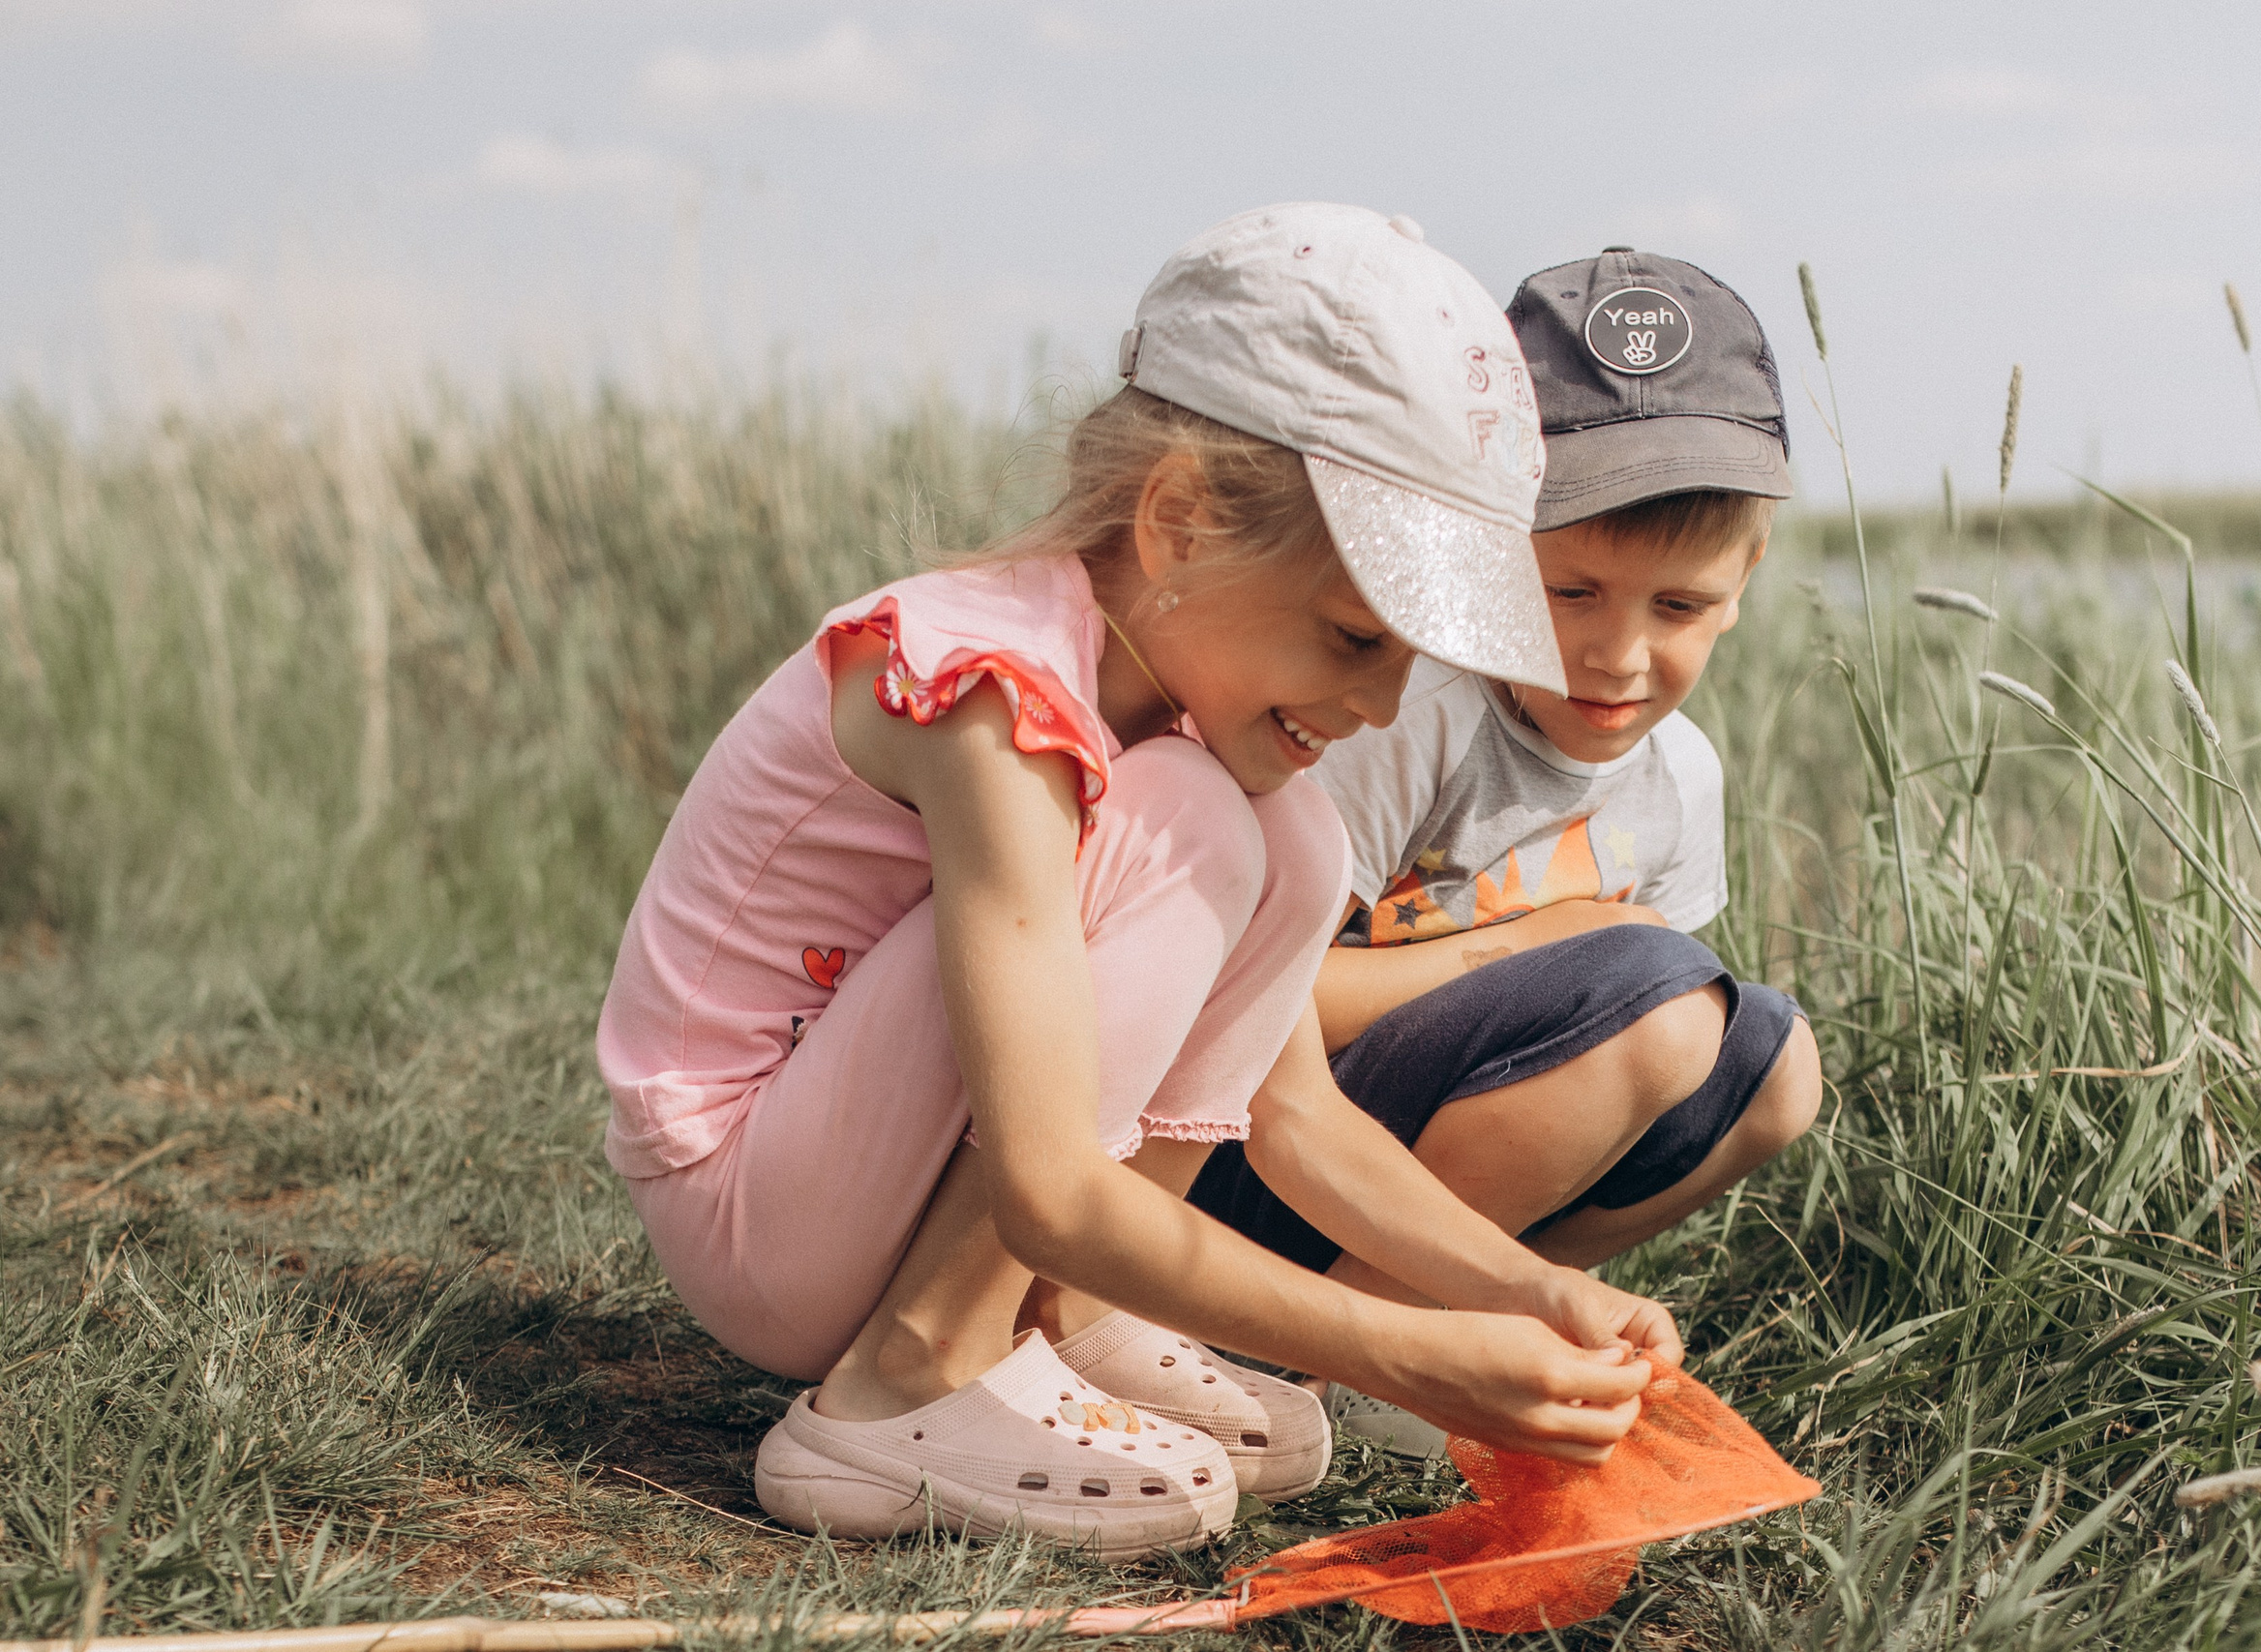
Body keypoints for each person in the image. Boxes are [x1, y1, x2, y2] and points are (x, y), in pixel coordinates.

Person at [596, 206, 1684, 1559]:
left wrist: (1522, 1293)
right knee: (1202, 822)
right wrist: (1414, 1356)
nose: (1382, 699)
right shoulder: (994, 699)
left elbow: (1291, 1113)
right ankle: (909, 1376)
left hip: (863, 1169)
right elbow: (1051, 1179)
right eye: (1356, 634)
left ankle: (1070, 1320)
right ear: (1175, 520)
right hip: (754, 1201)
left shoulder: (1181, 729)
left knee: (1292, 840)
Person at [1189, 248, 1825, 1456]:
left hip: (1422, 1175)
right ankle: (1305, 1354)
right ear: (1477, 553)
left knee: (1773, 1064)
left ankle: (1424, 1327)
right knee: (1656, 1011)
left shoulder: (1679, 777)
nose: (1619, 656)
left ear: (1742, 585)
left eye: (1677, 608)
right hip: (1258, 1156)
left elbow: (1648, 1065)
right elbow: (1235, 1011)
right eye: (1568, 590)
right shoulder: (1403, 718)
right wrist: (1525, 943)